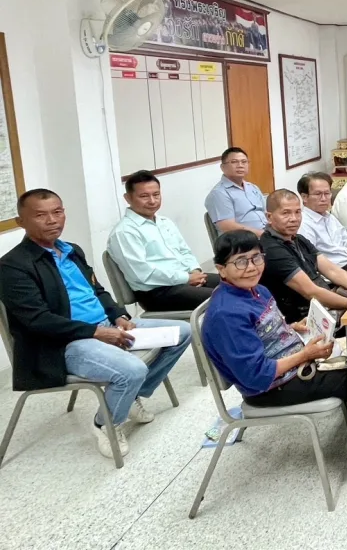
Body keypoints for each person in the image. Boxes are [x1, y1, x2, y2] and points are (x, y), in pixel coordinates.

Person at [0, 189, 192, 459]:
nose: (52, 220)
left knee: (182, 332)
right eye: (41, 215)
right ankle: (105, 424)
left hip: (104, 325)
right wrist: (97, 332)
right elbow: (37, 320)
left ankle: (131, 396)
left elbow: (97, 290)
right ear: (21, 222)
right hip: (64, 342)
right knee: (132, 369)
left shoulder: (71, 250)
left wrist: (119, 316)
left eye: (57, 212)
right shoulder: (13, 266)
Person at [201, 230, 347, 409]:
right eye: (240, 261)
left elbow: (260, 332)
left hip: (293, 365)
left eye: (256, 258)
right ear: (221, 269)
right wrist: (305, 355)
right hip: (272, 389)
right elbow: (257, 376)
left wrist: (291, 327)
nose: (252, 267)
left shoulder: (258, 289)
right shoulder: (226, 315)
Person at [107, 170, 219, 312]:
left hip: (185, 279)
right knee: (225, 298)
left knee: (240, 285)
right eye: (144, 196)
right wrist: (186, 278)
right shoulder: (124, 232)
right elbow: (143, 274)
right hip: (158, 292)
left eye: (156, 194)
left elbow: (184, 251)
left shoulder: (165, 222)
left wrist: (195, 271)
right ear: (128, 198)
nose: (152, 201)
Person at [259, 190, 347, 324]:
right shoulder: (272, 249)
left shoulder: (299, 239)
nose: (294, 218)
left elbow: (332, 270)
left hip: (325, 304)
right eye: (286, 213)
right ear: (269, 217)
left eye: (298, 212)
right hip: (304, 318)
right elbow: (311, 292)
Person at [297, 172, 347, 281]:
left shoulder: (330, 217)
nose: (324, 198)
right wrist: (342, 275)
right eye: (318, 194)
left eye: (327, 193)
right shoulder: (303, 225)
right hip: (336, 274)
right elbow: (310, 265)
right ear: (304, 197)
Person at [205, 147, 268, 235]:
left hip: (265, 234)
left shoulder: (253, 188)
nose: (240, 165)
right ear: (222, 167)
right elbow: (227, 226)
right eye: (234, 162)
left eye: (244, 162)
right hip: (244, 240)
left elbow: (266, 214)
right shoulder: (219, 193)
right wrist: (262, 235)